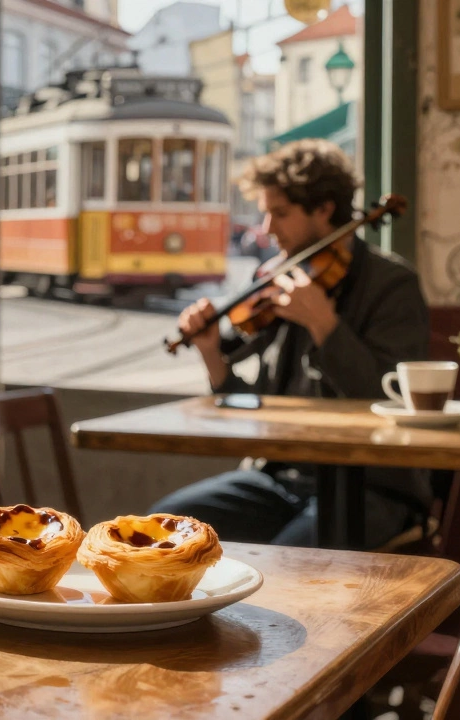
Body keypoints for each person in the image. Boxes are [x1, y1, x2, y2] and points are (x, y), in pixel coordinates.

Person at [151, 139, 431, 548]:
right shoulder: (278, 279)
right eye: (265, 213)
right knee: (160, 535)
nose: (266, 229)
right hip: (278, 478)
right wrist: (212, 355)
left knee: (285, 564)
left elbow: (390, 401)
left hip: (371, 485)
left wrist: (325, 326)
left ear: (324, 209)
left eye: (279, 213)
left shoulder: (393, 286)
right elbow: (258, 409)